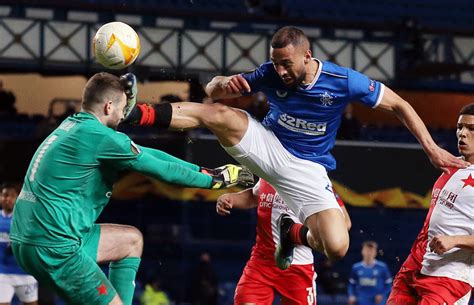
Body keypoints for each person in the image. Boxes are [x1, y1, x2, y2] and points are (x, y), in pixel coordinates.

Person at [125, 26, 468, 269]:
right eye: (275, 62)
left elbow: (399, 105)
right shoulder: (269, 74)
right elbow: (212, 92)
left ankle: (292, 233)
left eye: (286, 63)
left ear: (307, 56)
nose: (279, 70)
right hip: (268, 144)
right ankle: (136, 112)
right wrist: (223, 84)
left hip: (307, 167)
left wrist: (431, 149)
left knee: (336, 246)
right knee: (218, 114)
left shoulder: (343, 81)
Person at [9, 72, 253, 305]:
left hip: (30, 239)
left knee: (131, 241)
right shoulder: (101, 138)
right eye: (122, 108)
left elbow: (148, 154)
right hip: (55, 246)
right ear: (108, 107)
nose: (124, 115)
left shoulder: (74, 126)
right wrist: (212, 179)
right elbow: (161, 169)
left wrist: (205, 171)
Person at [387, 103, 474, 305]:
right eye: (460, 127)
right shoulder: (451, 166)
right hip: (414, 267)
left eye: (471, 129)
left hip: (449, 278)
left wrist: (455, 240)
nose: (462, 134)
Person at [216, 178, 351, 304]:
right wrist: (231, 198)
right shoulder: (269, 171)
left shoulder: (314, 179)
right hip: (261, 264)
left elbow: (344, 223)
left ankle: (291, 232)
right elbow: (254, 195)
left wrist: (298, 233)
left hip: (298, 268)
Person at [0, 183, 38, 305]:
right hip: (3, 274)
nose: (8, 199)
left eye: (12, 196)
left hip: (25, 274)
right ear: (0, 197)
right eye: (5, 195)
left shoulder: (26, 219)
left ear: (17, 198)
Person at [348, 241, 392, 305]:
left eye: (371, 250)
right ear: (362, 251)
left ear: (375, 252)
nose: (369, 253)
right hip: (361, 301)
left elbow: (389, 285)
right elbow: (351, 284)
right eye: (367, 250)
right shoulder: (356, 267)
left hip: (377, 302)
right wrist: (351, 296)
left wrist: (382, 295)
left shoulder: (382, 267)